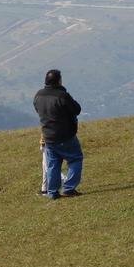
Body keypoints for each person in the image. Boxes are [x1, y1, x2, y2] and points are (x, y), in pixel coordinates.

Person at [33, 69, 83, 199]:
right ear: (59, 80)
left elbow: (37, 109)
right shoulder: (62, 96)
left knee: (53, 165)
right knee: (75, 159)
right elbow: (76, 109)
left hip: (48, 137)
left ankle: (52, 192)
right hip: (65, 135)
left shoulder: (38, 95)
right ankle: (69, 188)